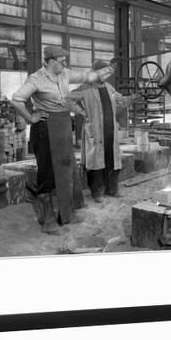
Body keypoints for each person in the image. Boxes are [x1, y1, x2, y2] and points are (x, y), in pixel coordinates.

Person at [11, 46, 115, 234]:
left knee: (66, 169)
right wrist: (30, 118)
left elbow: (86, 77)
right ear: (50, 61)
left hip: (63, 124)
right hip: (46, 128)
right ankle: (48, 221)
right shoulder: (36, 79)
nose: (65, 64)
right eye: (62, 60)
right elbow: (17, 99)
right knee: (48, 173)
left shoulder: (64, 74)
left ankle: (66, 215)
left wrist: (106, 70)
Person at [67, 60, 138, 202]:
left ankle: (112, 189)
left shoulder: (109, 87)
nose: (106, 75)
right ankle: (97, 192)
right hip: (95, 131)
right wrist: (80, 112)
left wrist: (133, 97)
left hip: (110, 131)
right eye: (104, 72)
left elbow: (122, 101)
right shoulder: (85, 89)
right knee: (96, 164)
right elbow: (68, 99)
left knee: (111, 160)